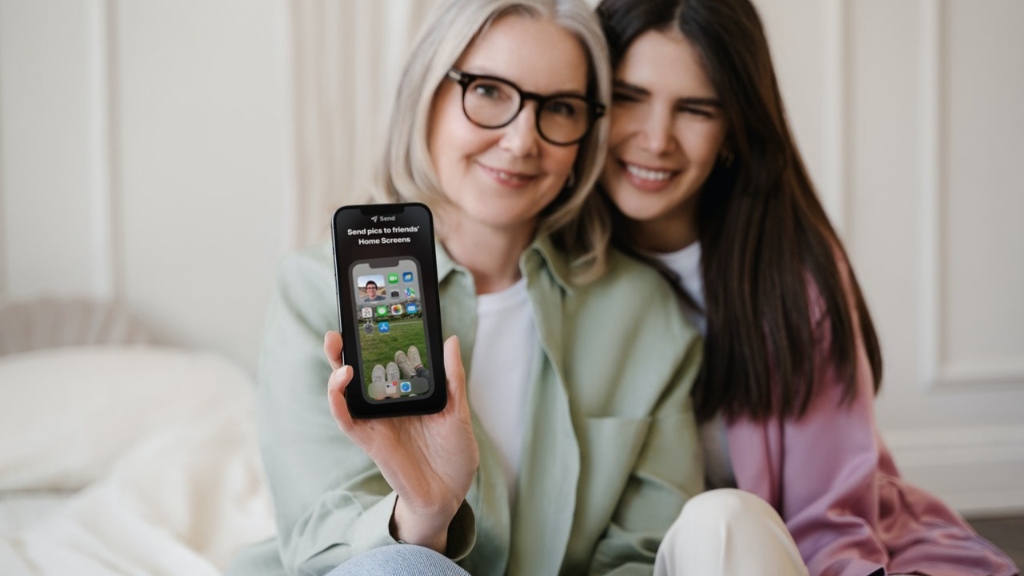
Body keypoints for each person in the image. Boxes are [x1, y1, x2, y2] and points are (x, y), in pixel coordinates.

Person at [225, 0, 705, 574]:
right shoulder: (317, 290)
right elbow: (318, 543)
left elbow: (645, 553)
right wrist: (425, 513)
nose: (523, 140)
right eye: (488, 91)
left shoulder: (642, 312)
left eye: (559, 108)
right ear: (426, 97)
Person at [593, 0, 1020, 575]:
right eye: (629, 97)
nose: (656, 138)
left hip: (770, 551)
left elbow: (828, 525)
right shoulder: (551, 264)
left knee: (720, 519)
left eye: (695, 109)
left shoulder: (790, 276)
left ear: (732, 129)